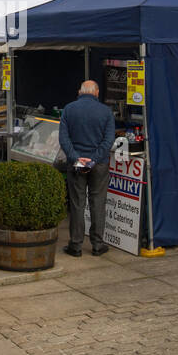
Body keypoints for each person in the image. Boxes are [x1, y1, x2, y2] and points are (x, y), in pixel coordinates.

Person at [58, 80, 115, 256]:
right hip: (99, 164)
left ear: (79, 91)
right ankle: (97, 245)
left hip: (76, 163)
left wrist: (77, 158)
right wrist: (94, 159)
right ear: (96, 93)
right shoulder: (106, 112)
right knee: (98, 203)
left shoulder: (69, 109)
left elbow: (63, 139)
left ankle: (75, 245)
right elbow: (108, 140)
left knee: (77, 204)